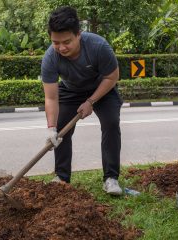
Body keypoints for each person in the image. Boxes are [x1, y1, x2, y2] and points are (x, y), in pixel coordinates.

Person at [41, 6, 123, 195]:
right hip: (71, 90)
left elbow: (112, 77)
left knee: (111, 123)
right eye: (55, 42)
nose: (61, 48)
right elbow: (51, 97)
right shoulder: (50, 58)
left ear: (79, 34)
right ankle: (62, 177)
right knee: (62, 130)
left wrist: (91, 102)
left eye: (67, 41)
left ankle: (111, 178)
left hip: (102, 88)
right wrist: (52, 128)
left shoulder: (98, 46)